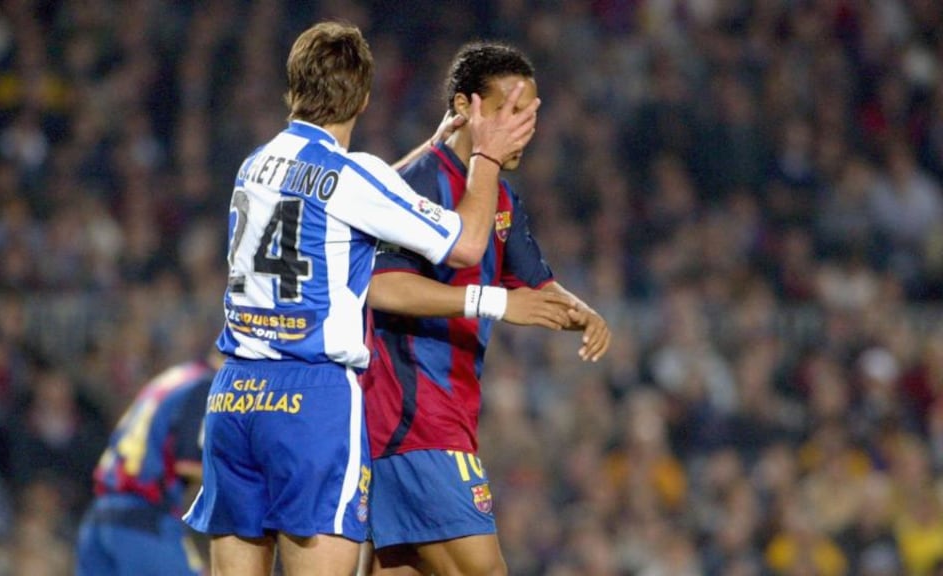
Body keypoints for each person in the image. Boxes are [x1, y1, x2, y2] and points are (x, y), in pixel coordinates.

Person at [181, 21, 539, 576]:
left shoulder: (253, 165)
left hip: (234, 395)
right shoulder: (354, 175)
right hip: (311, 397)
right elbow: (467, 245)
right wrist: (484, 157)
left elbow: (334, 199)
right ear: (365, 98)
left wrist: (431, 145)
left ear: (292, 85)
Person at [362, 42, 611, 576]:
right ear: (464, 108)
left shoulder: (500, 197)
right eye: (512, 111)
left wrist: (582, 311)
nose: (526, 127)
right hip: (414, 421)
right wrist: (495, 302)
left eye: (532, 114)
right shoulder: (419, 184)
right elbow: (383, 288)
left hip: (442, 420)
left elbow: (539, 287)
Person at [76, 352, 221, 576]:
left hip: (102, 513)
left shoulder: (178, 376)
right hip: (145, 522)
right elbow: (189, 464)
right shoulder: (206, 386)